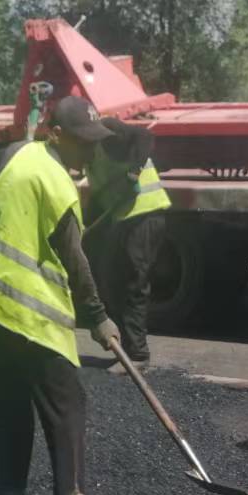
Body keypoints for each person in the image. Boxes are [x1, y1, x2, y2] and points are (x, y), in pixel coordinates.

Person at [0, 96, 123, 495]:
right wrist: (99, 317)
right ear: (55, 134)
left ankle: (7, 492)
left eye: (95, 142)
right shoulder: (57, 183)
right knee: (67, 401)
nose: (91, 151)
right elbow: (75, 261)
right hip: (33, 309)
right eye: (83, 142)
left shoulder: (17, 155)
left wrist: (9, 206)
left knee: (11, 400)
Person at [84, 117, 171, 367]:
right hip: (122, 220)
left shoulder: (106, 130)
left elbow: (144, 136)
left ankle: (138, 355)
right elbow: (100, 195)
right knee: (110, 281)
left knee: (134, 284)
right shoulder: (88, 157)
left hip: (146, 215)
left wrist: (134, 172)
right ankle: (124, 350)